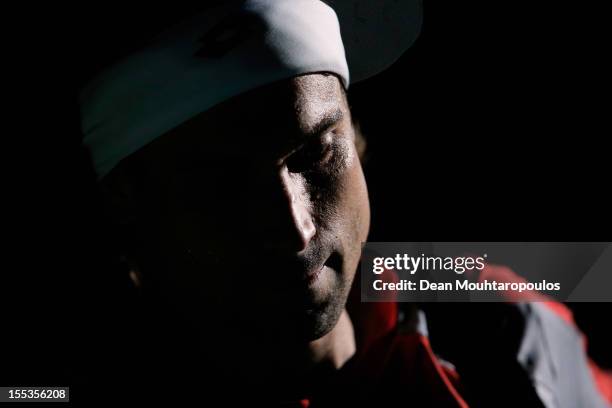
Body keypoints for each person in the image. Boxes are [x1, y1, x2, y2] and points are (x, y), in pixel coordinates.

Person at [76, 1, 611, 406]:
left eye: (313, 154)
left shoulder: (494, 309)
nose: (294, 229)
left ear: (355, 140)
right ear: (128, 202)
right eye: (222, 185)